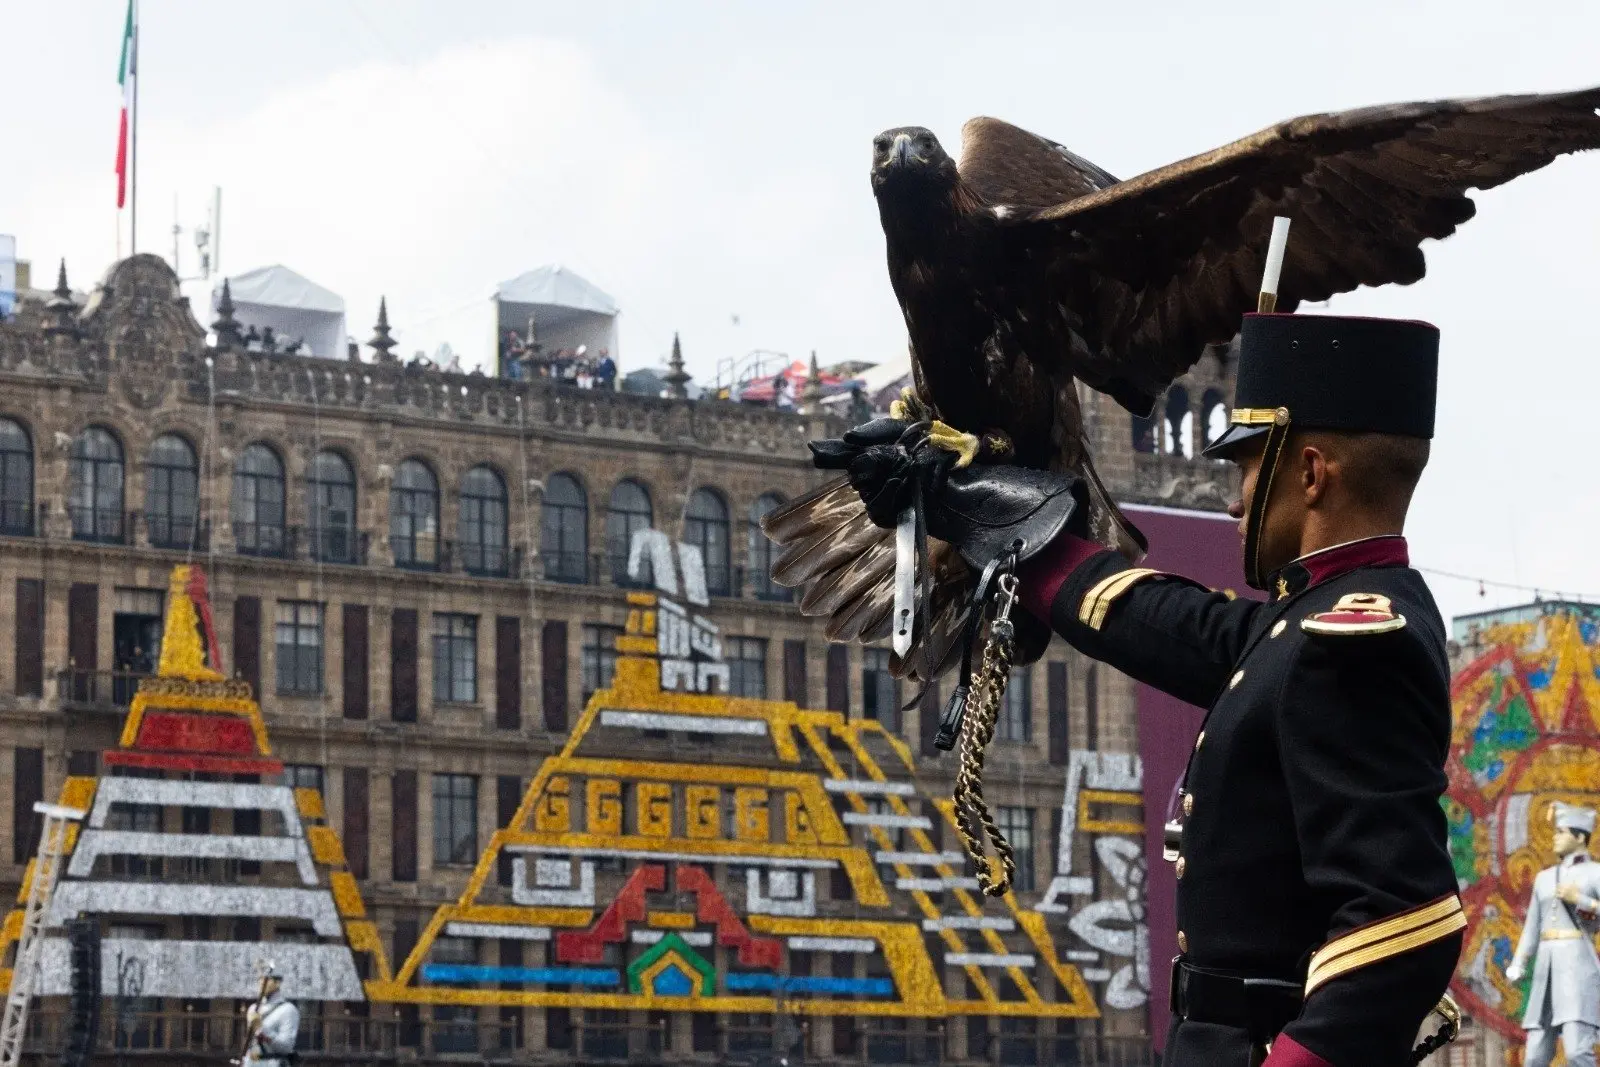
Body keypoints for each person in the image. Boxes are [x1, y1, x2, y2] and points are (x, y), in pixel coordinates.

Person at [817, 312, 1463, 1066]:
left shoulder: (1354, 642)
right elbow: (1161, 620)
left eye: (1248, 469)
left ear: (1312, 473)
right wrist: (980, 509)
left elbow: (1406, 921)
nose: (1232, 502)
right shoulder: (1311, 621)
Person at [1507, 802, 1600, 1067]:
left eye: (1561, 832)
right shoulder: (1544, 878)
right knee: (1534, 1056)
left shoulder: (1596, 873)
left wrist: (1581, 899)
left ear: (1580, 837)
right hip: (1545, 970)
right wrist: (1519, 962)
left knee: (1576, 1052)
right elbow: (1532, 927)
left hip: (1578, 968)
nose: (1554, 837)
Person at [237, 963, 300, 1066]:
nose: (262, 982)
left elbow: (286, 1047)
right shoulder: (253, 1009)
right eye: (260, 979)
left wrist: (262, 1028)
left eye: (267, 979)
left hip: (273, 1063)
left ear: (277, 983)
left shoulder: (288, 1010)